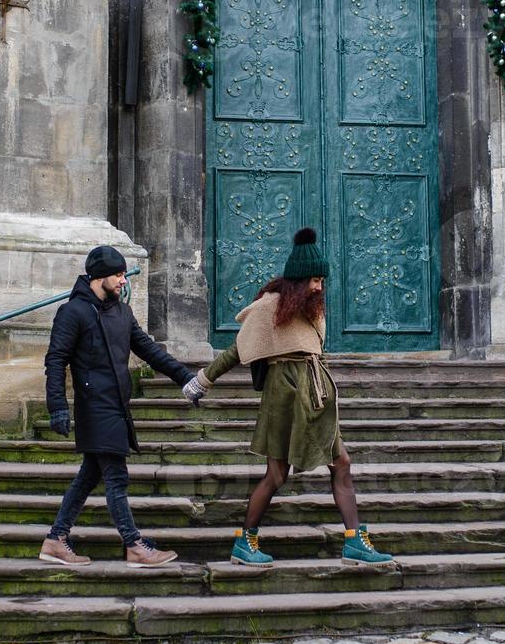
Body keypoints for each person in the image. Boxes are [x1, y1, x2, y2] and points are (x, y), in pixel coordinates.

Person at [182, 227, 392, 568]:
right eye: (312, 280)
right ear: (296, 280)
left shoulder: (312, 310)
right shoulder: (269, 308)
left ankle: (354, 542)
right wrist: (202, 381)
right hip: (285, 392)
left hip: (317, 392)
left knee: (342, 463)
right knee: (277, 474)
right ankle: (245, 542)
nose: (318, 287)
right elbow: (239, 349)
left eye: (321, 281)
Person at [39, 245, 196, 568]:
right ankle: (134, 545)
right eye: (118, 274)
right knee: (116, 477)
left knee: (88, 476)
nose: (124, 280)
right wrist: (57, 405)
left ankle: (56, 539)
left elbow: (149, 350)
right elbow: (56, 360)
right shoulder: (73, 312)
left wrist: (185, 378)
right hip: (94, 406)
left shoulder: (122, 313)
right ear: (99, 277)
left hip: (118, 405)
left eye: (124, 274)